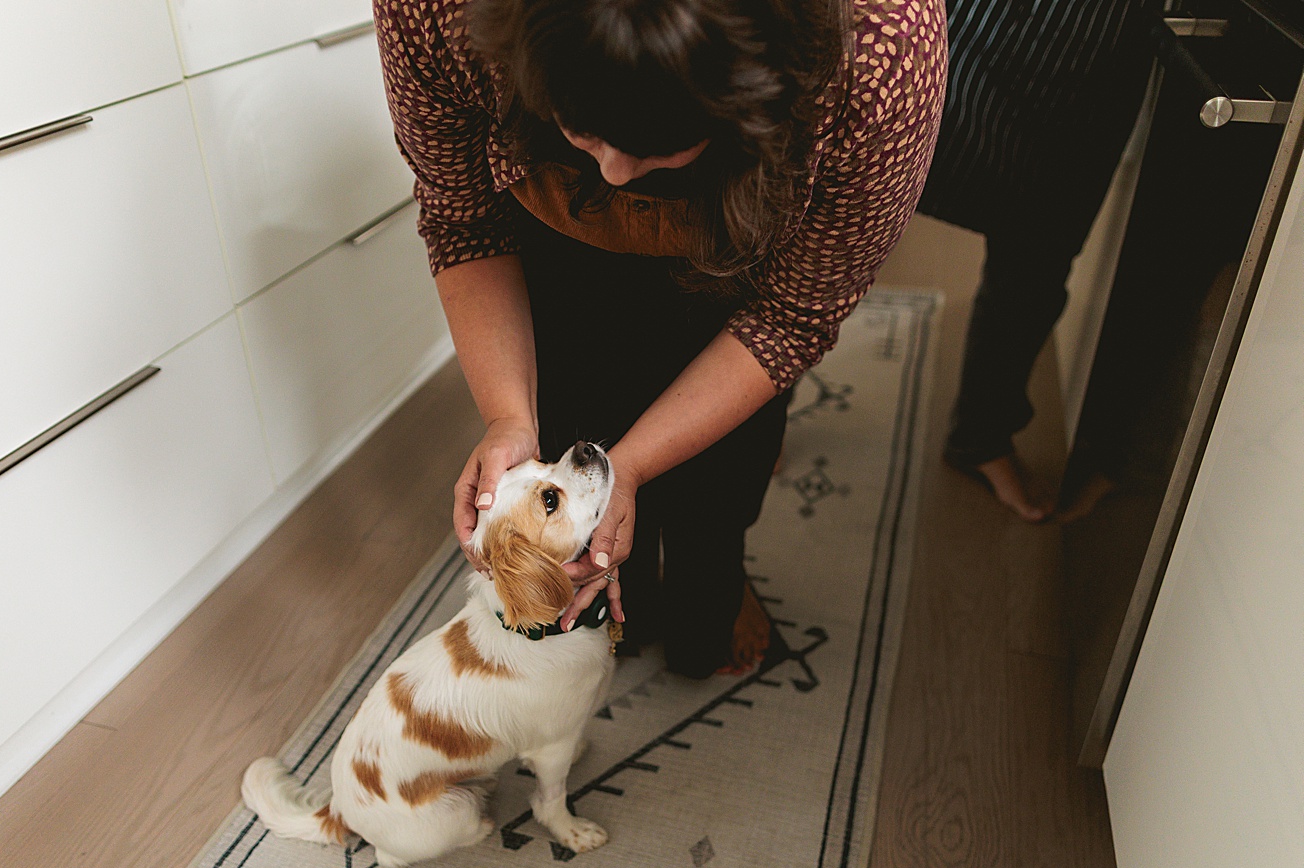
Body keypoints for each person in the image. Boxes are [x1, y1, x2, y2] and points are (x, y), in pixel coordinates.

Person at [374, 0, 945, 676]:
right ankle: (628, 601)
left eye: (658, 146)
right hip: (548, 252)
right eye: (581, 130)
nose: (614, 174)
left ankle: (716, 574)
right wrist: (507, 414)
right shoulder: (435, 10)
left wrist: (636, 466)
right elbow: (465, 216)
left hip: (741, 282)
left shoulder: (881, 50)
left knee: (722, 484)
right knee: (572, 413)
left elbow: (791, 314)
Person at [917, 0, 1155, 521]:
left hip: (1099, 50)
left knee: (1039, 258)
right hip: (973, 24)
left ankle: (981, 437)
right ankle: (767, 397)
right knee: (855, 203)